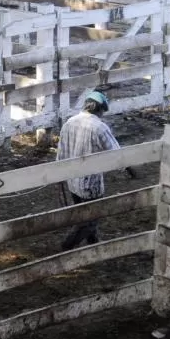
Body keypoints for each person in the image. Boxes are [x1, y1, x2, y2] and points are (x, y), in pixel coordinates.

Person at [55, 91, 124, 251]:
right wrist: (127, 168)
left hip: (72, 181)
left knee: (83, 214)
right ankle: (66, 247)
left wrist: (59, 176)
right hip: (90, 184)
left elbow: (61, 153)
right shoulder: (99, 127)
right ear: (100, 110)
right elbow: (117, 154)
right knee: (90, 220)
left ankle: (93, 243)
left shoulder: (69, 123)